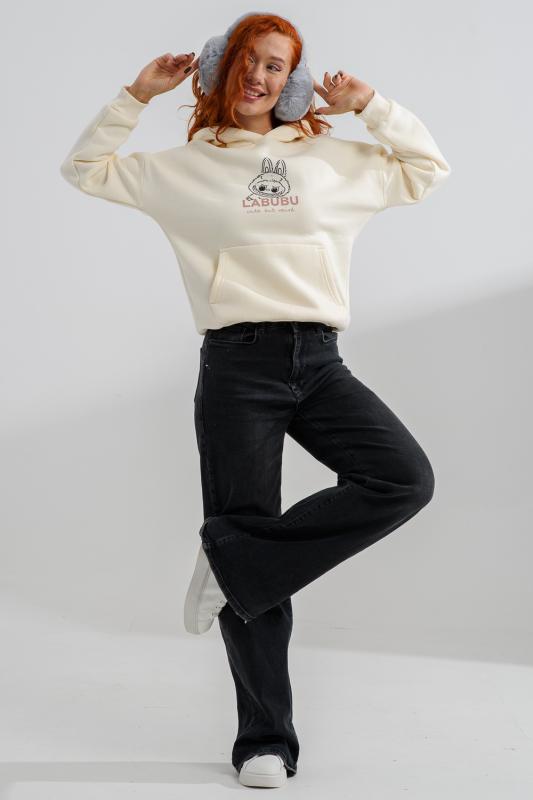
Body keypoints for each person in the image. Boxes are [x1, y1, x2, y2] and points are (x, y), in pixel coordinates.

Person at [60, 11, 451, 789]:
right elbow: (86, 168)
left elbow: (426, 167)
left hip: (319, 360)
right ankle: (263, 742)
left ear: (292, 82)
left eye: (275, 65)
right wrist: (136, 95)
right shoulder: (183, 169)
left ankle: (232, 556)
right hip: (237, 365)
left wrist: (370, 106)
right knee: (250, 543)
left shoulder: (332, 161)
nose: (258, 76)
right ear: (218, 69)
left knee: (402, 479)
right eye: (246, 59)